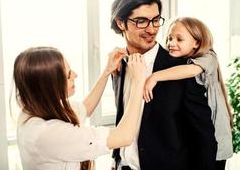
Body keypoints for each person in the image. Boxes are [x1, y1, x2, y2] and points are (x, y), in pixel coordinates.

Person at [110, 0, 217, 170]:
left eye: (156, 20)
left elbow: (203, 137)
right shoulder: (118, 65)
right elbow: (123, 117)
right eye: (142, 21)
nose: (152, 29)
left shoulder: (182, 69)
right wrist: (117, 160)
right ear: (121, 23)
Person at [14, 46, 146, 170]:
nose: (75, 75)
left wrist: (107, 71)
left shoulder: (37, 107)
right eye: (68, 74)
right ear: (49, 85)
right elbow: (124, 136)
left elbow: (86, 108)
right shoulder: (47, 135)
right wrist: (138, 82)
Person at [143, 17, 233, 170]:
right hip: (196, 143)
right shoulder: (180, 62)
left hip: (216, 139)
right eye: (169, 38)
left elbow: (190, 70)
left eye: (179, 39)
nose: (172, 43)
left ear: (196, 43)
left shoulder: (209, 57)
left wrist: (154, 77)